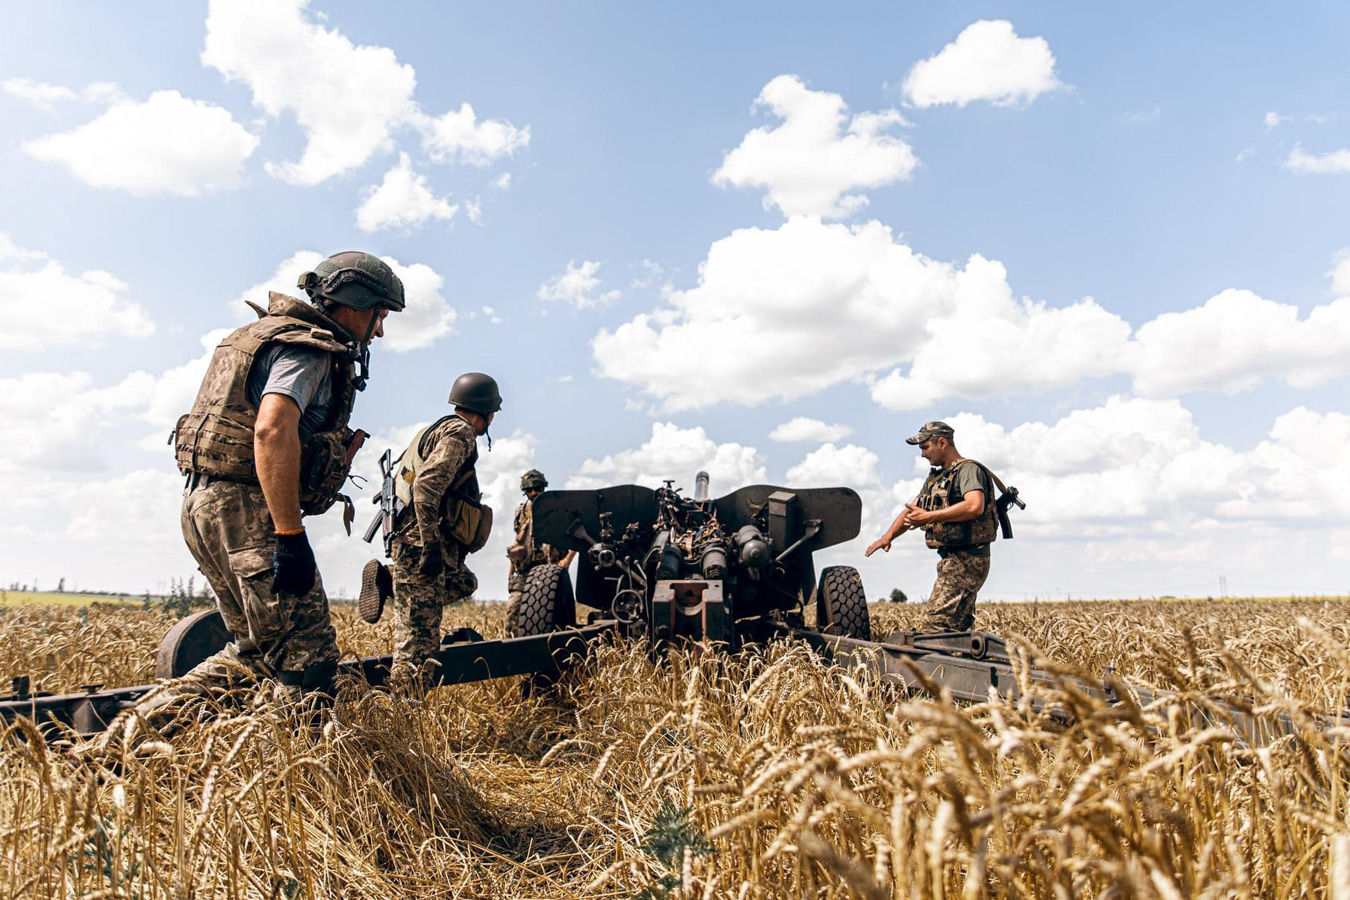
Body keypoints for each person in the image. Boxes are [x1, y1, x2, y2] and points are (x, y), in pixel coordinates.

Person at [92, 251, 406, 750]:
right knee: (308, 660)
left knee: (256, 652)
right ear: (355, 302)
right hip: (244, 513)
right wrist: (289, 537)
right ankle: (298, 781)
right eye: (380, 315)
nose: (380, 331)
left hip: (203, 504)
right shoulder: (309, 349)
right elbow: (271, 428)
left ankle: (115, 749)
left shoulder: (253, 337)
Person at [380, 373, 500, 686]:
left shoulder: (432, 429)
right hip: (422, 547)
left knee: (463, 581)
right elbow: (425, 486)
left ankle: (389, 581)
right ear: (485, 412)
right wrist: (431, 547)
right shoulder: (460, 433)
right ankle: (403, 718)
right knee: (418, 644)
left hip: (410, 542)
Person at [865, 421, 998, 633]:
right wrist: (887, 537)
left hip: (969, 558)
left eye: (925, 448)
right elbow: (912, 510)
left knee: (935, 626)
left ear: (942, 443)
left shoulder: (968, 470)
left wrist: (929, 517)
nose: (923, 455)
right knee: (954, 629)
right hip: (952, 558)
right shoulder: (937, 478)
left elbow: (974, 505)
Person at [504, 470, 574, 636]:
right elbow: (517, 543)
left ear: (544, 488)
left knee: (554, 617)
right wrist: (511, 573)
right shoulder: (521, 513)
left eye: (538, 488)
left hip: (551, 569)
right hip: (526, 570)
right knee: (513, 613)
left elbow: (575, 538)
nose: (534, 493)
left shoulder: (558, 509)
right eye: (529, 490)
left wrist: (566, 561)